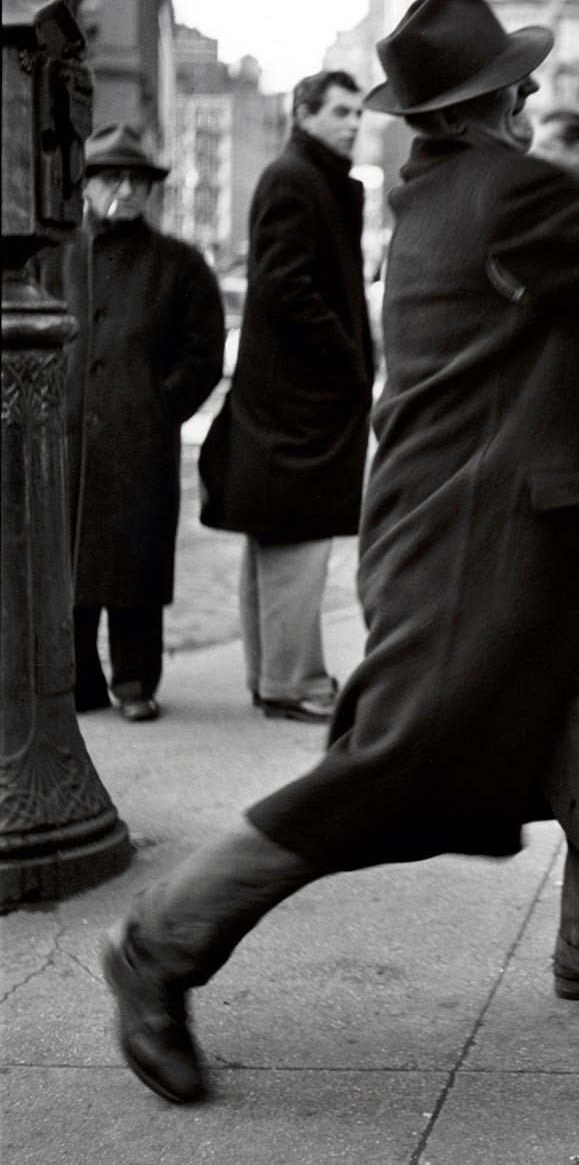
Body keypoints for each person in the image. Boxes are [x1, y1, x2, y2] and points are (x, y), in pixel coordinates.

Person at [101, 0, 579, 1105]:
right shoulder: (503, 189)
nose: (529, 92)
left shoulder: (447, 193)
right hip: (471, 533)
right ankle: (159, 946)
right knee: (388, 770)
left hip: (518, 519)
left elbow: (574, 321)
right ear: (484, 105)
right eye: (516, 81)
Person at [197, 71, 374, 722]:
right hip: (299, 403)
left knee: (278, 543)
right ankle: (291, 680)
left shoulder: (307, 177)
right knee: (296, 543)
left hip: (293, 400)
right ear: (303, 113)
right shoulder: (295, 178)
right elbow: (284, 285)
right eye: (340, 112)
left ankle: (273, 674)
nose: (354, 123)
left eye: (358, 112)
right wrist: (347, 358)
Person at [47, 124, 224, 722]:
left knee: (136, 566)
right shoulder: (57, 256)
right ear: (85, 187)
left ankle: (133, 680)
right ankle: (79, 681)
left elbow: (203, 356)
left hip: (138, 441)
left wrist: (158, 406)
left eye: (138, 180)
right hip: (64, 439)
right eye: (110, 178)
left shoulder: (179, 265)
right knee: (65, 566)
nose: (125, 189)